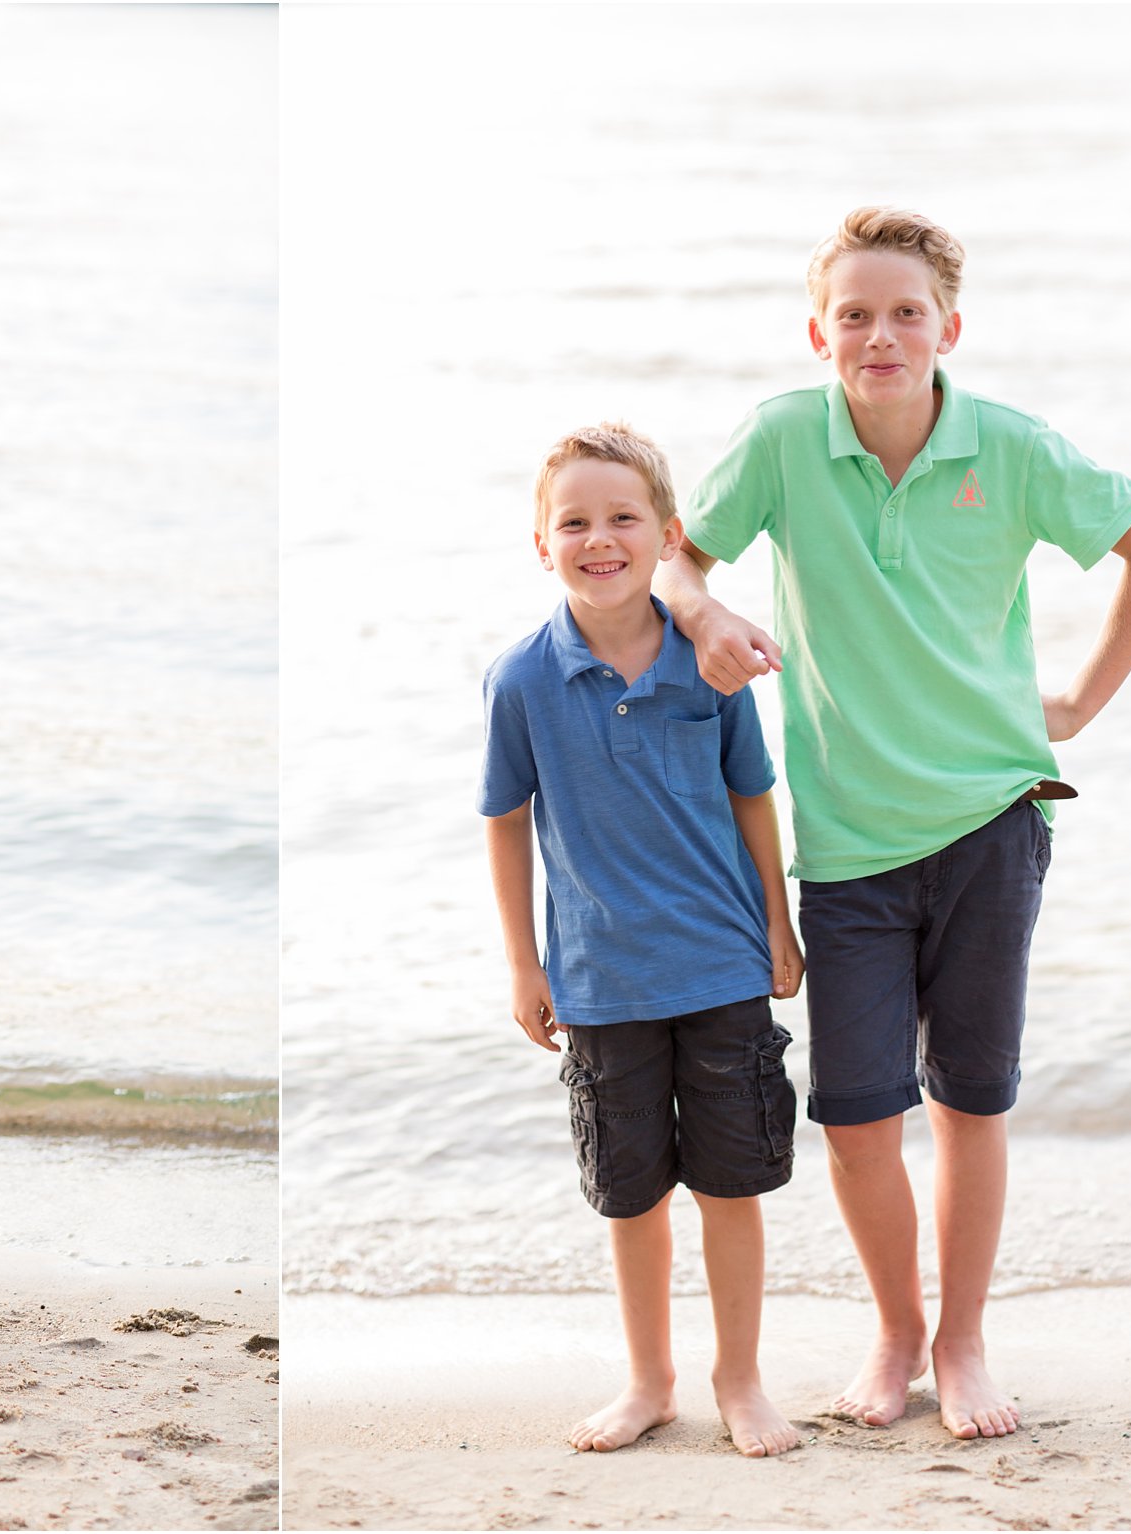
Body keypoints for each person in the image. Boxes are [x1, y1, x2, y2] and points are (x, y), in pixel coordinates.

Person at [657, 206, 1131, 1439]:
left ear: (949, 327)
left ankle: (959, 1343)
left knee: (970, 1101)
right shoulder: (785, 440)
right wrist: (702, 618)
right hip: (845, 842)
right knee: (854, 1118)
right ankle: (893, 1326)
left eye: (905, 313)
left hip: (989, 820)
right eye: (854, 315)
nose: (880, 334)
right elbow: (679, 557)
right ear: (817, 333)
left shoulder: (1007, 450)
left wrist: (1078, 703)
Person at [481, 421, 806, 1457]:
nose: (597, 538)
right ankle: (648, 1382)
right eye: (571, 521)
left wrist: (777, 923)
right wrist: (522, 964)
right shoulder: (521, 680)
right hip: (598, 980)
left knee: (729, 1185)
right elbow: (502, 820)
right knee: (629, 1196)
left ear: (666, 536)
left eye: (621, 518)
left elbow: (752, 798)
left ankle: (739, 1380)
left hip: (719, 964)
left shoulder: (706, 665)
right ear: (540, 544)